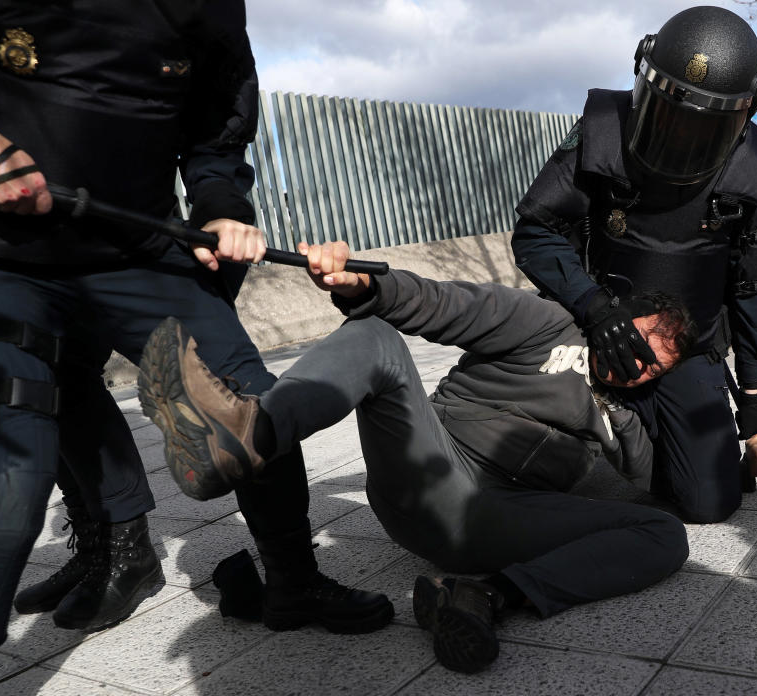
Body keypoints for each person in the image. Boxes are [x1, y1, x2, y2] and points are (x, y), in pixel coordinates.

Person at [0, 3, 389, 693]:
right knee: (10, 460)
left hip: (135, 249)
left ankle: (293, 583)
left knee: (252, 408)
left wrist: (221, 204)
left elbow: (216, 126)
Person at [137, 239, 725, 674]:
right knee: (377, 340)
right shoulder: (549, 324)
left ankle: (482, 596)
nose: (640, 359)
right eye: (640, 337)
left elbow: (665, 484)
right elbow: (444, 304)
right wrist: (366, 286)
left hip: (493, 526)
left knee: (664, 535)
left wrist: (746, 451)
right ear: (618, 319)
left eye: (657, 363)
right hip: (431, 473)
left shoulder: (624, 423)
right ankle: (244, 436)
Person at [510, 6, 757, 524]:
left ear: (746, 111)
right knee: (517, 462)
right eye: (671, 114)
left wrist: (751, 401)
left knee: (710, 503)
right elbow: (536, 230)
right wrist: (592, 307)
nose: (682, 138)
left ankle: (652, 436)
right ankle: (614, 425)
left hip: (689, 346)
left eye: (703, 125)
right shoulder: (602, 130)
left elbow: (751, 292)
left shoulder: (751, 166)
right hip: (593, 327)